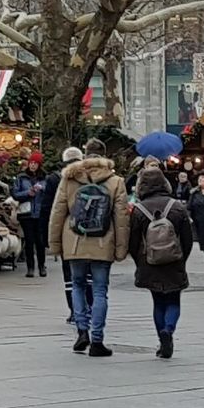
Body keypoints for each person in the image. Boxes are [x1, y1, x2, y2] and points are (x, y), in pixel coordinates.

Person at [49, 138, 130, 357]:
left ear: (85, 153)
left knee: (77, 284)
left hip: (73, 241)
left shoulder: (70, 178)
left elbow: (58, 214)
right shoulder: (115, 182)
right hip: (103, 243)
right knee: (100, 290)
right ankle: (97, 340)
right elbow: (121, 218)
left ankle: (81, 330)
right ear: (104, 155)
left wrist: (55, 245)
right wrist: (122, 249)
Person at [129, 168, 193, 359]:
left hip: (150, 261)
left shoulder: (139, 209)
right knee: (174, 299)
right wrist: (182, 258)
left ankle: (161, 339)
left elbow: (133, 242)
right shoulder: (177, 207)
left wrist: (139, 261)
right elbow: (188, 239)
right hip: (174, 260)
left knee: (158, 301)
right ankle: (169, 330)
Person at [43, 147, 94, 324]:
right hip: (91, 233)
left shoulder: (56, 179)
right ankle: (91, 307)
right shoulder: (93, 177)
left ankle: (75, 311)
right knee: (90, 275)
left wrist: (50, 238)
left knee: (70, 277)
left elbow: (50, 211)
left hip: (67, 234)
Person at [12, 152, 48, 277]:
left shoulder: (44, 178)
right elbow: (15, 194)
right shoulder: (21, 177)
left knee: (40, 241)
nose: (33, 166)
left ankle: (42, 266)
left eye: (35, 163)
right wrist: (28, 193)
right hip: (26, 213)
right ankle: (30, 268)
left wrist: (41, 190)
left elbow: (48, 193)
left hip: (39, 213)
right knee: (29, 240)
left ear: (39, 165)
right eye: (31, 163)